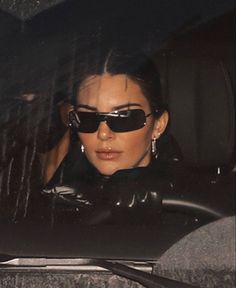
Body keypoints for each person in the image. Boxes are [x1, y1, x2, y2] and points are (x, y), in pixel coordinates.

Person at [30, 50, 185, 226]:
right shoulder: (53, 203)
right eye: (88, 118)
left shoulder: (193, 206)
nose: (103, 134)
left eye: (124, 117)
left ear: (158, 125)